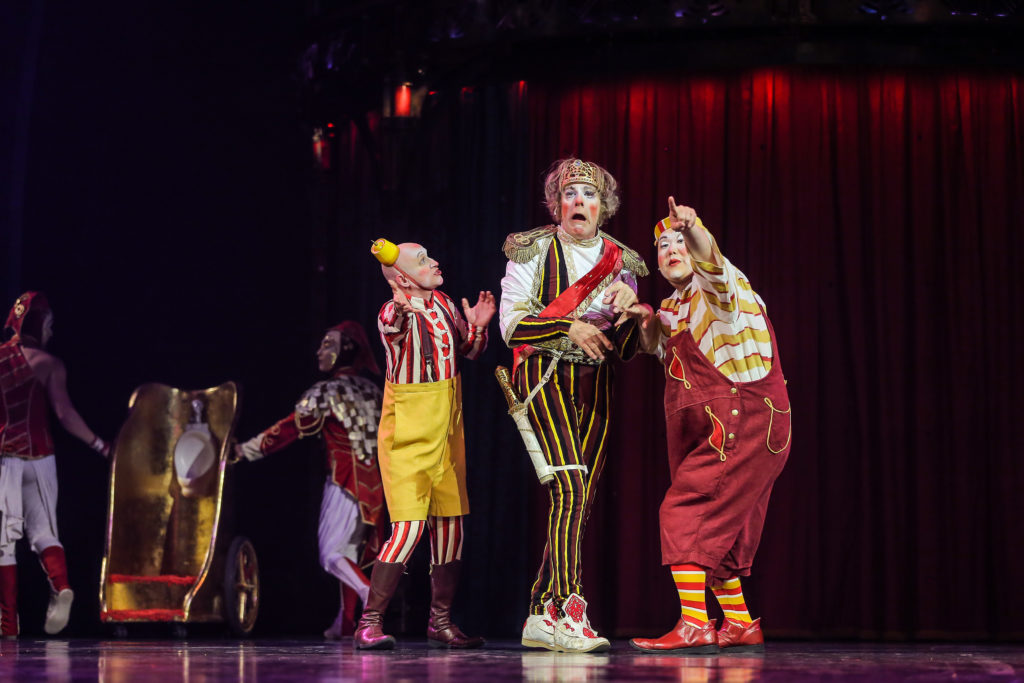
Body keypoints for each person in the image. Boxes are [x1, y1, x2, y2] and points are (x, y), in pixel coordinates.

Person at [625, 198, 792, 654]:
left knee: (685, 512)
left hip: (742, 419)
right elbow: (659, 350)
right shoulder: (672, 306)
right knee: (728, 525)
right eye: (662, 245)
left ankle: (695, 623)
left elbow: (712, 263)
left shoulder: (720, 287)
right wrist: (643, 320)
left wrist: (694, 227)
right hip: (712, 424)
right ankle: (738, 622)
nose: (671, 249)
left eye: (679, 241)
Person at [499, 158, 648, 653]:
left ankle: (540, 612)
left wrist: (635, 315)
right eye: (570, 193)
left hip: (596, 386)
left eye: (588, 194)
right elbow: (511, 325)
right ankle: (568, 608)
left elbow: (625, 350)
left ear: (604, 206)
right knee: (569, 484)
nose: (578, 201)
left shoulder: (624, 262)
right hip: (542, 377)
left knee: (577, 500)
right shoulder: (533, 247)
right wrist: (568, 326)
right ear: (556, 204)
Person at [355, 238, 495, 650]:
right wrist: (400, 309)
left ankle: (441, 621)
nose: (434, 262)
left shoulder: (444, 303)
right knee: (410, 527)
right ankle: (370, 622)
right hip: (410, 432)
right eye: (423, 260)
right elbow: (390, 327)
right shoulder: (392, 311)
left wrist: (479, 326)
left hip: (447, 427)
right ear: (402, 278)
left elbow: (469, 350)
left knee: (451, 525)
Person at [235, 321, 386, 639]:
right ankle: (346, 621)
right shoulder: (375, 391)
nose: (320, 350)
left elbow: (288, 430)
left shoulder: (326, 392)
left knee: (331, 553)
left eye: (328, 344)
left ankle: (370, 599)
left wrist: (243, 451)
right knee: (350, 552)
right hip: (378, 486)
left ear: (346, 350)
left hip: (345, 481)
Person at [0, 292, 110, 638]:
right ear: (36, 324)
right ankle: (61, 587)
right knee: (45, 532)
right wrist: (101, 445)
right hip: (42, 458)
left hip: (5, 459)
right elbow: (65, 415)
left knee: (4, 542)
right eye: (49, 324)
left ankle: (6, 625)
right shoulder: (49, 363)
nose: (51, 331)